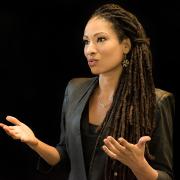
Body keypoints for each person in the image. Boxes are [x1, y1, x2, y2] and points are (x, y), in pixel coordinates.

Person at [0, 3, 174, 180]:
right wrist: (35, 143)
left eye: (101, 39)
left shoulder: (156, 102)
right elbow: (65, 157)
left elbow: (164, 176)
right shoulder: (75, 90)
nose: (89, 50)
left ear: (126, 46)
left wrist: (140, 166)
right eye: (86, 41)